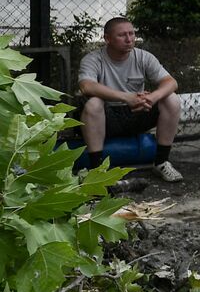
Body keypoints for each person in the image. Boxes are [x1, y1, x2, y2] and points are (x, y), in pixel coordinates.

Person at [77, 16, 183, 182]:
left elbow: (171, 82)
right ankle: (97, 171)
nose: (129, 39)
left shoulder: (143, 57)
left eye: (132, 34)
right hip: (107, 116)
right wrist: (127, 97)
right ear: (107, 39)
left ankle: (161, 162)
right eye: (122, 35)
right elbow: (86, 86)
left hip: (137, 113)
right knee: (93, 103)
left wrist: (152, 98)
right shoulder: (93, 59)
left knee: (172, 99)